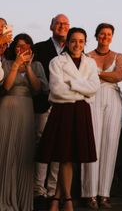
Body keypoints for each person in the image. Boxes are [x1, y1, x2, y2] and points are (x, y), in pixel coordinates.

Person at [38, 27, 99, 211]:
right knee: (64, 157)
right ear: (67, 42)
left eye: (81, 41)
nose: (77, 44)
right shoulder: (57, 62)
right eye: (73, 40)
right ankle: (68, 200)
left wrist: (71, 83)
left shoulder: (90, 63)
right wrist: (82, 91)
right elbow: (56, 90)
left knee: (70, 157)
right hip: (63, 111)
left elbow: (94, 87)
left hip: (81, 112)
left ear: (85, 43)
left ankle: (56, 199)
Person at [0, 33, 48, 211]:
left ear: (30, 48)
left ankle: (22, 200)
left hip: (27, 109)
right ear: (14, 48)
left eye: (25, 46)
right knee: (5, 151)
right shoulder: (6, 63)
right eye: (18, 46)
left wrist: (27, 68)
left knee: (24, 152)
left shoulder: (36, 65)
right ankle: (4, 199)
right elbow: (5, 86)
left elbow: (37, 89)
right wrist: (16, 65)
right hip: (6, 108)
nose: (22, 50)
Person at [81, 23, 122, 210]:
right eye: (102, 34)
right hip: (93, 97)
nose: (105, 37)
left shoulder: (118, 56)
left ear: (112, 37)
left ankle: (104, 194)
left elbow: (119, 76)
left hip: (113, 100)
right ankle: (89, 193)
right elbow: (86, 78)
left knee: (110, 143)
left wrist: (98, 74)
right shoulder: (87, 55)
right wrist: (107, 75)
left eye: (108, 34)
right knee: (92, 143)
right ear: (96, 35)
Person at [32, 13, 70, 207]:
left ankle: (53, 191)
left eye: (65, 24)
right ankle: (38, 190)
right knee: (41, 146)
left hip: (65, 107)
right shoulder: (39, 48)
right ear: (51, 26)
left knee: (59, 148)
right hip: (44, 105)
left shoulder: (73, 49)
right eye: (58, 23)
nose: (62, 26)